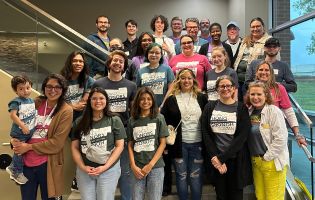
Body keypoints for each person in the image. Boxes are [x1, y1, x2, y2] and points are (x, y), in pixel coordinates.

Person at [12, 73, 73, 199]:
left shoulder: (66, 110)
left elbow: (56, 144)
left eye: (57, 87)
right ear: (44, 87)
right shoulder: (36, 102)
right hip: (26, 163)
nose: (52, 90)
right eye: (49, 86)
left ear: (63, 89)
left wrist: (28, 147)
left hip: (48, 164)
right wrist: (15, 139)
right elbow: (19, 123)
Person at [93, 50, 137, 200]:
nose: (117, 63)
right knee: (104, 170)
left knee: (125, 171)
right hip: (102, 132)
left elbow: (133, 111)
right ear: (109, 63)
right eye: (115, 60)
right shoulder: (98, 83)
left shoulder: (131, 85)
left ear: (124, 66)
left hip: (123, 132)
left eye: (121, 61)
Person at [201, 75, 252, 200]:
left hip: (235, 160)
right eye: (222, 86)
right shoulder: (209, 107)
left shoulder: (241, 108)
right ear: (217, 89)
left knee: (236, 196)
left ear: (234, 88)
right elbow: (206, 133)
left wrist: (222, 158)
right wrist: (216, 158)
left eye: (228, 86)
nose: (225, 88)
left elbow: (242, 137)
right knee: (221, 196)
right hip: (216, 160)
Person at [71, 87, 126, 200]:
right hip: (85, 171)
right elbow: (75, 147)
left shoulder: (115, 120)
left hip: (109, 170)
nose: (98, 101)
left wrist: (105, 167)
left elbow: (120, 146)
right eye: (94, 98)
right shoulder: (79, 122)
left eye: (101, 98)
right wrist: (82, 167)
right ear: (89, 101)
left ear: (106, 101)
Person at [161, 68, 208, 200]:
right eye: (183, 78)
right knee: (181, 176)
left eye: (189, 78)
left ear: (193, 80)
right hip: (178, 145)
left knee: (196, 176)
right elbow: (164, 121)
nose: (186, 81)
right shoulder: (171, 99)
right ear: (178, 80)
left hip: (198, 144)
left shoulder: (202, 97)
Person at [246, 81, 289, 200]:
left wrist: (266, 157)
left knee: (273, 197)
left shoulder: (274, 111)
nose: (255, 97)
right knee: (260, 196)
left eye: (259, 94)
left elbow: (281, 139)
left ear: (266, 95)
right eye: (252, 94)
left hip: (272, 162)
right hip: (256, 162)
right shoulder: (249, 112)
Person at [127, 87, 168, 200]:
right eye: (142, 99)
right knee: (136, 198)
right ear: (137, 101)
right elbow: (130, 144)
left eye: (149, 99)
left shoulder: (159, 118)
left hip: (156, 167)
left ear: (153, 101)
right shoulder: (132, 120)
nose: (145, 102)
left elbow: (163, 143)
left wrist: (150, 165)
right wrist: (133, 165)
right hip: (137, 167)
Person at [253, 61, 307, 146]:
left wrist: (298, 135)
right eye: (261, 70)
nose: (263, 72)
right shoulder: (252, 89)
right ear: (256, 72)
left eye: (267, 70)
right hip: (256, 134)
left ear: (271, 73)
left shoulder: (279, 88)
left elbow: (289, 113)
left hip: (276, 133)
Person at [233, 17, 274, 101]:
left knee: (251, 104)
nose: (255, 29)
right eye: (253, 27)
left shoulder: (269, 40)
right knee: (240, 105)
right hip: (238, 80)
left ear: (263, 27)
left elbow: (273, 62)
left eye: (258, 26)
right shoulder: (245, 40)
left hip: (253, 81)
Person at [6, 75, 36, 184]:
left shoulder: (31, 100)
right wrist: (23, 126)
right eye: (21, 89)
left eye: (27, 88)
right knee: (19, 152)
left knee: (22, 152)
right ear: (16, 90)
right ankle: (16, 171)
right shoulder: (16, 102)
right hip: (19, 132)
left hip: (28, 133)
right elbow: (13, 115)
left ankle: (13, 167)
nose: (25, 91)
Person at [136, 43, 175, 108]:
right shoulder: (140, 71)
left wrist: (163, 105)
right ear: (147, 54)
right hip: (146, 108)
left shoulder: (167, 69)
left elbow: (171, 89)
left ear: (161, 55)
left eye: (157, 53)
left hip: (164, 107)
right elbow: (139, 92)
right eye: (151, 52)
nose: (154, 55)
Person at [61, 51, 94, 121]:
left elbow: (83, 102)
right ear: (69, 63)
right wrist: (71, 106)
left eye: (81, 61)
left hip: (81, 118)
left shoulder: (89, 80)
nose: (78, 63)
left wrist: (75, 106)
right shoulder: (60, 79)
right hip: (63, 115)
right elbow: (57, 100)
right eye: (75, 61)